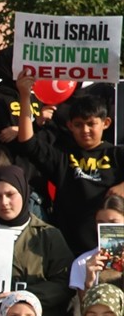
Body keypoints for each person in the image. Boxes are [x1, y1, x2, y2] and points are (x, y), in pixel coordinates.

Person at [16, 79, 124, 256]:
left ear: (106, 123)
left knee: (110, 275)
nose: (85, 130)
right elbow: (27, 142)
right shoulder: (63, 157)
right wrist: (25, 96)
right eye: (79, 124)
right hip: (68, 249)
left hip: (111, 248)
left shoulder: (117, 155)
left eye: (91, 124)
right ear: (70, 126)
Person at [0, 166, 73, 316]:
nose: (4, 202)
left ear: (24, 193)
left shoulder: (48, 235)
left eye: (10, 194)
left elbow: (65, 282)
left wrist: (24, 295)